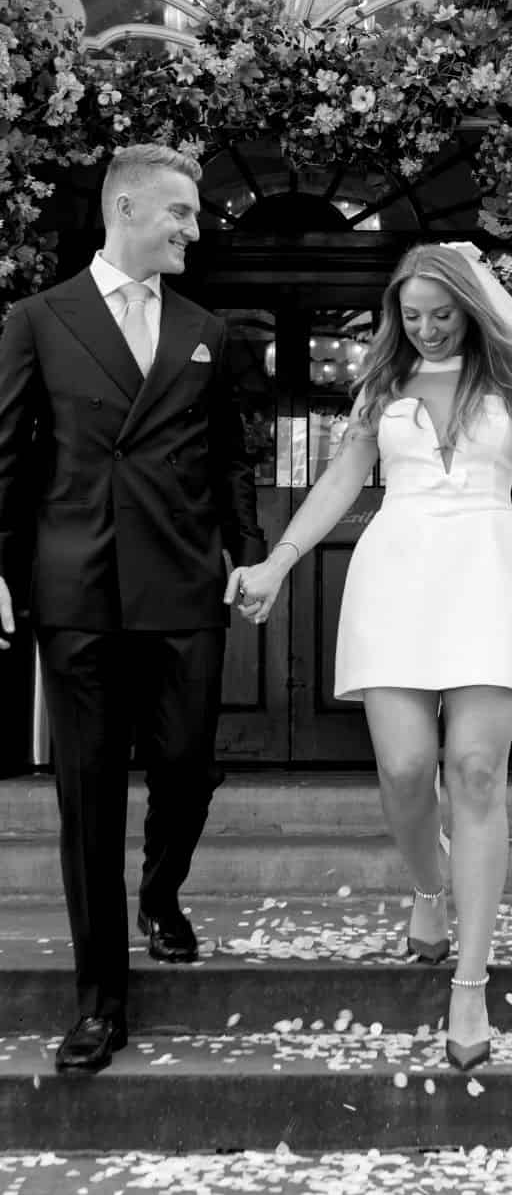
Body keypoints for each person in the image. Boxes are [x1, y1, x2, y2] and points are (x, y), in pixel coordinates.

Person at [228, 241, 512, 1070]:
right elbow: (338, 483)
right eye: (412, 316)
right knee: (403, 768)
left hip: (488, 577)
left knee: (474, 770)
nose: (426, 329)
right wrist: (280, 562)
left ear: (471, 307)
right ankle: (428, 890)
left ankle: (468, 982)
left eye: (441, 314)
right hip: (395, 576)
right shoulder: (380, 387)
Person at [0, 143, 262, 1074]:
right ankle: (99, 1002)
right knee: (89, 799)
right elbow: (8, 452)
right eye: (181, 213)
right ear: (125, 209)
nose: (195, 227)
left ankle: (161, 892)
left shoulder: (207, 328)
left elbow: (232, 451)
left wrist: (248, 550)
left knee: (187, 766)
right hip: (76, 587)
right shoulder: (37, 319)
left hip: (185, 582)